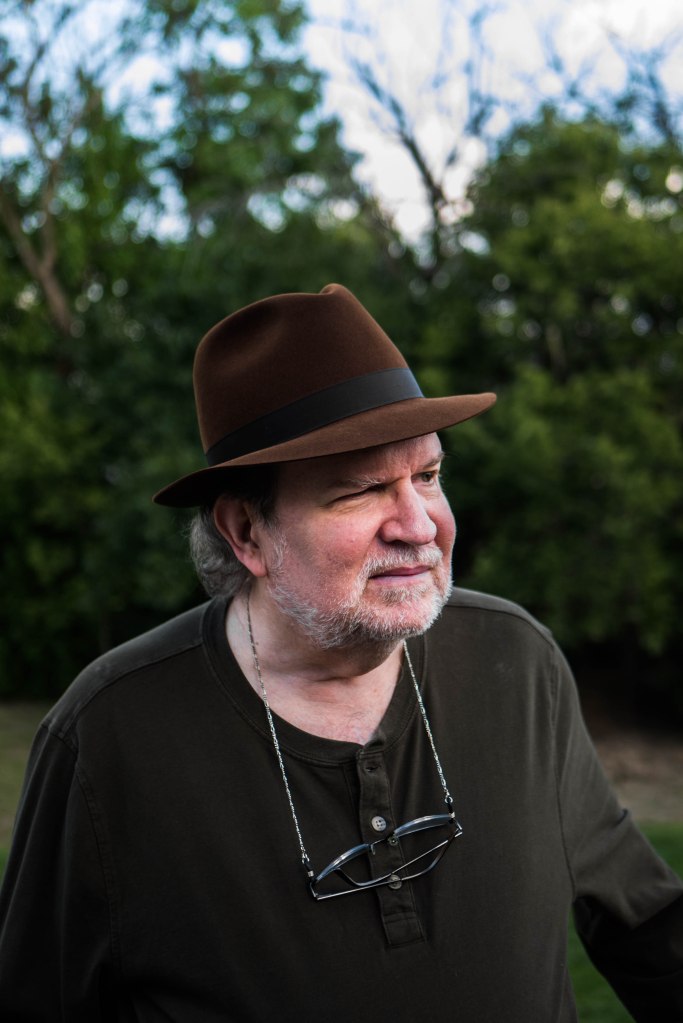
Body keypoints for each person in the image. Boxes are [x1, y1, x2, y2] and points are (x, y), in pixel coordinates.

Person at [0, 284, 681, 1022]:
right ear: (246, 531)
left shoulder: (515, 661)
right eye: (361, 490)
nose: (419, 525)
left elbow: (645, 924)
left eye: (427, 476)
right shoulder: (109, 736)